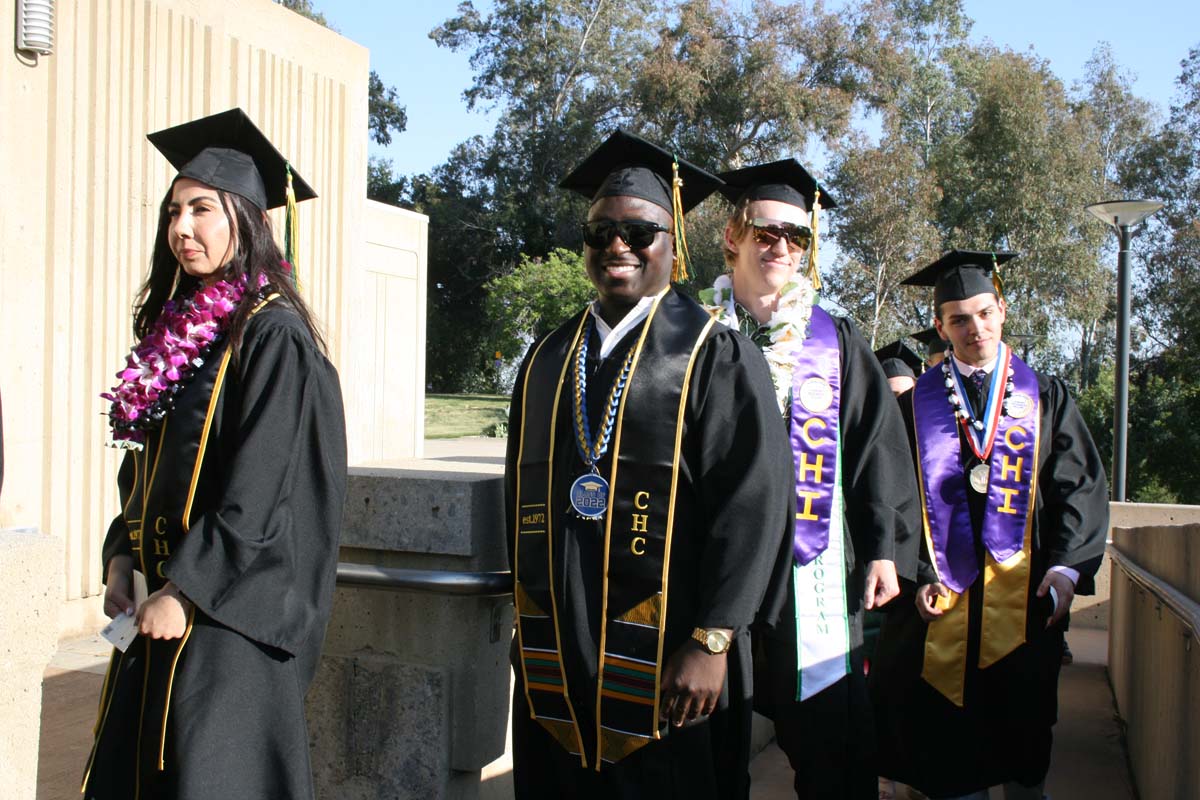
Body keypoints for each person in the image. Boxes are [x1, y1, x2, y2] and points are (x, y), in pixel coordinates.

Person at [504, 130, 793, 799]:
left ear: (674, 243)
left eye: (639, 232)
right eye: (600, 231)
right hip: (561, 661)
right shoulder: (547, 358)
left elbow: (754, 503)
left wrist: (714, 639)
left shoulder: (715, 355)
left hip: (674, 658)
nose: (617, 246)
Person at [84, 108, 348, 800]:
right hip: (159, 607)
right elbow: (142, 470)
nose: (181, 228)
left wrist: (187, 590)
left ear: (248, 220)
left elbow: (262, 492)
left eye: (202, 209)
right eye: (174, 211)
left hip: (229, 622)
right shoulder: (183, 337)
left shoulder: (274, 339)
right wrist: (122, 556)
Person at [699, 159, 920, 800]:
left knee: (834, 750)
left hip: (813, 572)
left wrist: (883, 546)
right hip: (717, 572)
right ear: (733, 237)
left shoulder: (836, 338)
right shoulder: (692, 333)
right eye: (767, 232)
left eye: (797, 237)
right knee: (710, 749)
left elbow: (877, 446)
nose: (782, 248)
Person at [870, 250, 1109, 800]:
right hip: (937, 608)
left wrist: (1068, 570)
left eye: (983, 313)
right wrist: (917, 572)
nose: (973, 328)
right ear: (940, 326)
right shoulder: (912, 407)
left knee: (1022, 749)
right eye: (958, 319)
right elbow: (890, 498)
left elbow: (1078, 488)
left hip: (1024, 607)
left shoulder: (1045, 396)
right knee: (948, 757)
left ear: (1002, 310)